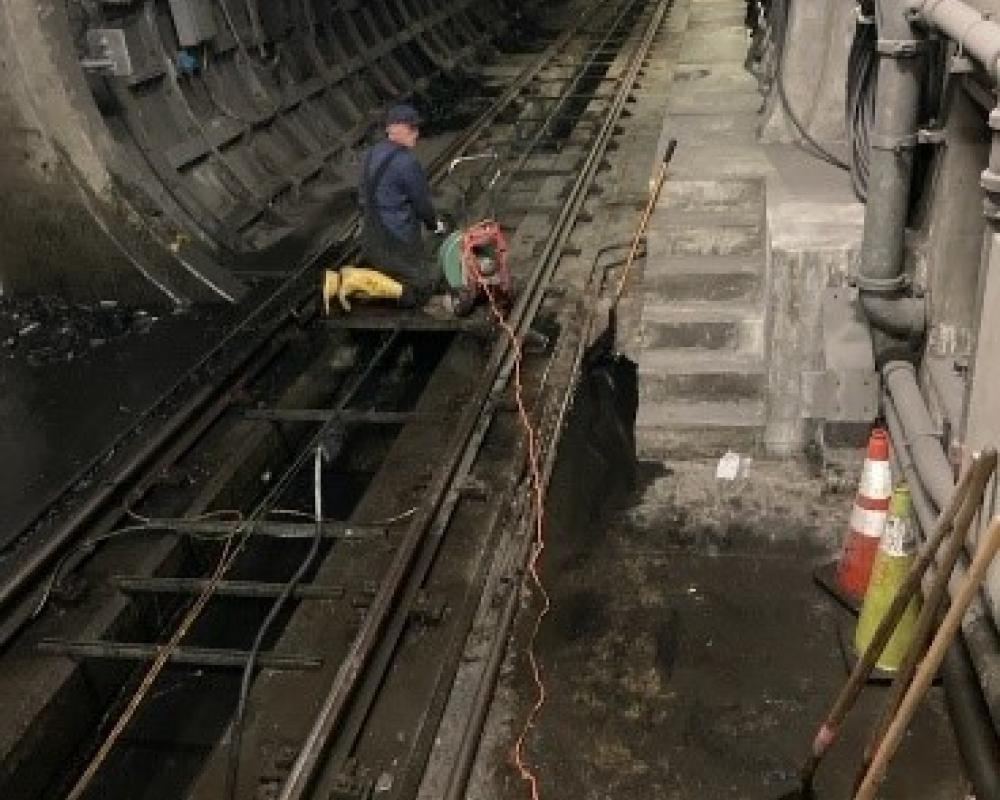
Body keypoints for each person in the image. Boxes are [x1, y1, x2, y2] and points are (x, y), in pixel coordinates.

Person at [351, 103, 448, 307]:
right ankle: (408, 299)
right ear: (395, 129)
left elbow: (362, 194)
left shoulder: (370, 154)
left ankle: (384, 290)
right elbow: (421, 203)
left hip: (371, 231)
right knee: (423, 282)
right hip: (399, 235)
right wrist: (433, 224)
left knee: (386, 268)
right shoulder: (406, 162)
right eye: (412, 129)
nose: (417, 133)